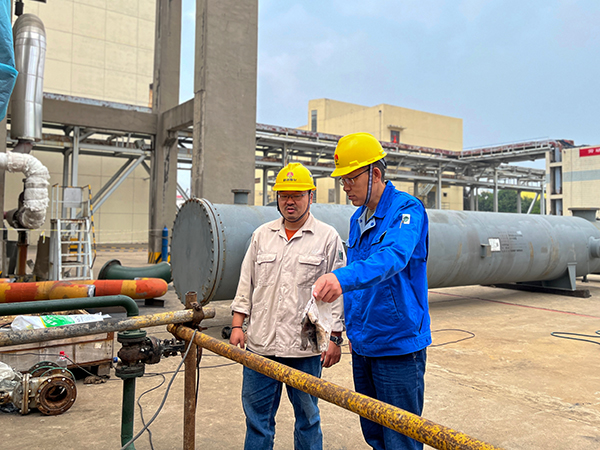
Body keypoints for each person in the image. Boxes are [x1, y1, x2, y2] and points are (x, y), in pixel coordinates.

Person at [313, 132, 431, 450]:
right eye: (342, 180)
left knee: (401, 439)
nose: (345, 187)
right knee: (376, 435)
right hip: (364, 346)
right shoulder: (357, 219)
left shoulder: (407, 210)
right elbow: (357, 292)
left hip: (397, 347)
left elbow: (393, 256)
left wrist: (341, 278)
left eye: (350, 178)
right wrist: (338, 337)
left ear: (374, 174)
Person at [230, 162, 346, 450]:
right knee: (257, 421)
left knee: (308, 419)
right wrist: (236, 324)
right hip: (261, 346)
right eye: (283, 195)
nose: (289, 201)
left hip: (304, 349)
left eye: (297, 195)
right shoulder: (262, 235)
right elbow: (247, 282)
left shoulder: (327, 237)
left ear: (311, 196)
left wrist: (334, 338)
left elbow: (339, 295)